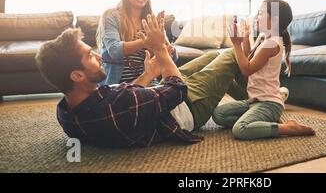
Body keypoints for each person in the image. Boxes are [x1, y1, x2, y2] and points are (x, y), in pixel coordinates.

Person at [35, 14, 251, 149]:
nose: (99, 57)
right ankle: (258, 101)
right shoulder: (117, 103)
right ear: (77, 75)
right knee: (232, 53)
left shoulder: (65, 113)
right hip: (188, 107)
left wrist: (149, 73)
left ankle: (248, 98)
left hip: (161, 94)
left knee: (214, 57)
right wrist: (159, 50)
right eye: (90, 55)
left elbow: (123, 95)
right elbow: (178, 90)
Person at [212, 0, 315, 140]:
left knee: (240, 129)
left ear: (274, 20)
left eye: (260, 13)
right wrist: (245, 39)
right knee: (219, 115)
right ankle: (260, 123)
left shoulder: (271, 44)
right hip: (254, 101)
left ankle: (288, 128)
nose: (256, 17)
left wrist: (236, 44)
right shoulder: (265, 39)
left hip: (269, 104)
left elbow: (246, 70)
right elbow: (249, 60)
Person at [96, 0, 177, 86]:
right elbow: (114, 50)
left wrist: (163, 44)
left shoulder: (151, 21)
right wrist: (145, 42)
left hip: (148, 82)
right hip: (118, 86)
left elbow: (173, 58)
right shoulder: (111, 16)